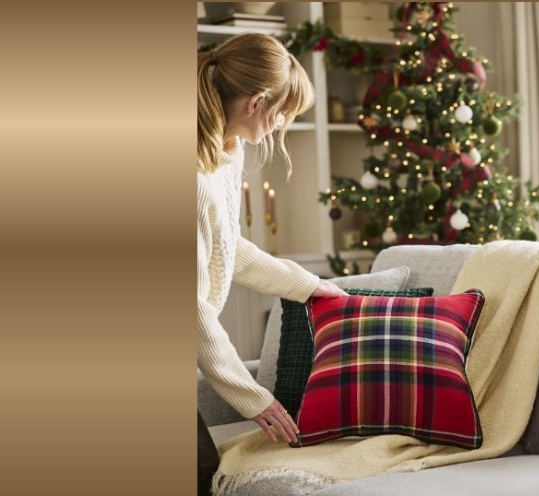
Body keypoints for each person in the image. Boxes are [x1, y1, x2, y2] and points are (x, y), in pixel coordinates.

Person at [196, 33, 348, 496]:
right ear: (256, 101)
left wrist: (307, 285)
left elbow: (228, 249)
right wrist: (254, 398)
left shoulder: (225, 154)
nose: (281, 124)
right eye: (282, 113)